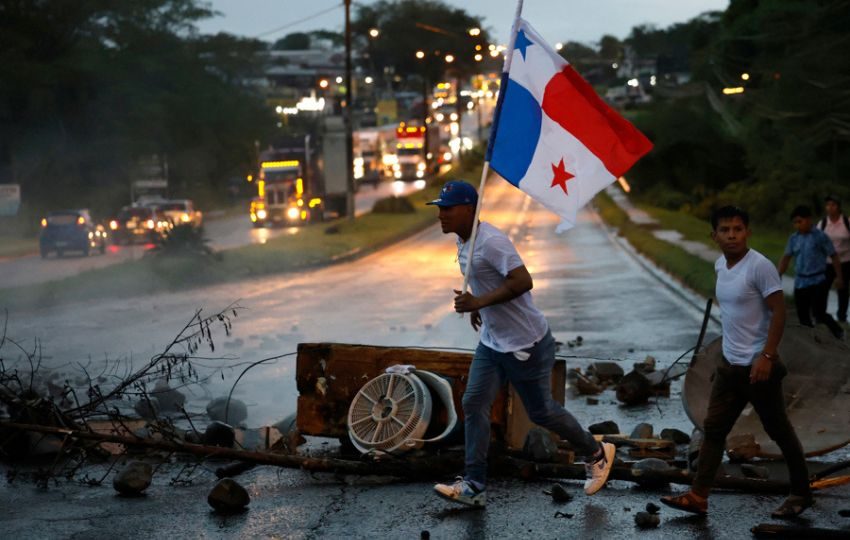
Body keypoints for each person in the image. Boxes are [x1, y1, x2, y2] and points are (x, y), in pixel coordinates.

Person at [427, 180, 615, 508]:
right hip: (493, 342)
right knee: (473, 403)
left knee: (541, 412)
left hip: (525, 343)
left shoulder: (492, 242)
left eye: (448, 208)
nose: (441, 214)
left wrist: (480, 301)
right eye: (440, 208)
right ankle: (474, 484)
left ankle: (595, 452)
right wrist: (479, 307)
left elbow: (523, 281)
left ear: (469, 210)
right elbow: (485, 283)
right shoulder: (463, 240)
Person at [660, 205, 812, 518]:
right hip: (730, 367)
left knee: (779, 430)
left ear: (747, 232)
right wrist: (724, 358)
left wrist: (767, 356)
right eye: (725, 230)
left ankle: (800, 493)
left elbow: (779, 312)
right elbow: (732, 317)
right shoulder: (720, 266)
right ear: (713, 235)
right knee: (714, 430)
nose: (732, 235)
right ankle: (699, 496)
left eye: (738, 229)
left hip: (759, 370)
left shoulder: (760, 267)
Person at [778, 205, 845, 339]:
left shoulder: (820, 236)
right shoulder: (794, 238)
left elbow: (834, 256)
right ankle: (809, 338)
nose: (797, 225)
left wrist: (839, 277)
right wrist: (777, 275)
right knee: (802, 314)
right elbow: (786, 258)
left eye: (800, 221)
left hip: (818, 280)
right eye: (795, 222)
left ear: (808, 220)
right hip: (800, 281)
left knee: (819, 312)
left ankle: (838, 331)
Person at [819, 195, 850, 324]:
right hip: (827, 262)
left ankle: (841, 317)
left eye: (833, 205)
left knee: (842, 289)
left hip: (845, 261)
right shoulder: (823, 223)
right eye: (828, 205)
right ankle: (821, 316)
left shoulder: (846, 222)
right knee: (822, 288)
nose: (830, 208)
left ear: (838, 206)